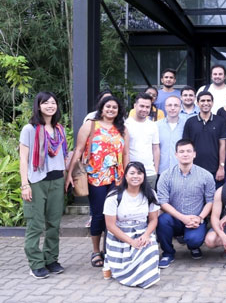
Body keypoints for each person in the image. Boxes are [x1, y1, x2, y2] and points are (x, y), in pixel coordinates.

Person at [66, 95, 129, 269]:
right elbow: (78, 150)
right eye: (108, 106)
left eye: (114, 107)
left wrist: (128, 176)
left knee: (114, 215)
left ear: (119, 110)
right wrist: (69, 174)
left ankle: (108, 250)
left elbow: (125, 154)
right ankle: (95, 251)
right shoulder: (91, 125)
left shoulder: (122, 129)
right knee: (99, 215)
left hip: (117, 178)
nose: (111, 110)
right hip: (96, 178)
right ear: (101, 108)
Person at [19, 92, 69, 279]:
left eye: (53, 102)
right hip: (37, 181)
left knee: (54, 224)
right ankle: (36, 263)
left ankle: (51, 259)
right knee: (36, 224)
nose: (50, 105)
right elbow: (23, 159)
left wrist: (66, 178)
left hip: (57, 181)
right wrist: (25, 185)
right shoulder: (30, 129)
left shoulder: (59, 129)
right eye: (45, 103)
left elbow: (63, 155)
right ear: (38, 106)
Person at [156, 139, 215, 268]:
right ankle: (168, 253)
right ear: (176, 154)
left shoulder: (206, 175)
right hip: (175, 218)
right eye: (181, 151)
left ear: (194, 154)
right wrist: (182, 218)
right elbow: (163, 202)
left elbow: (210, 201)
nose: (185, 154)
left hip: (195, 219)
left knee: (194, 240)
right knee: (162, 221)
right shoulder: (166, 176)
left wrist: (200, 218)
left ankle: (193, 247)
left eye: (189, 151)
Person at [103, 162, 160, 288]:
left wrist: (146, 235)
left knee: (150, 248)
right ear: (126, 176)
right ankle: (130, 274)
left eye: (139, 173)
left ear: (144, 176)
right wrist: (131, 242)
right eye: (132, 173)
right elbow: (110, 226)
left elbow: (153, 220)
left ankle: (145, 277)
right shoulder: (113, 196)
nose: (136, 176)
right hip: (120, 235)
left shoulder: (150, 194)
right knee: (126, 264)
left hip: (141, 232)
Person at [182, 91, 226, 188]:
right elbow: (185, 147)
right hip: (193, 169)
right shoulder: (190, 122)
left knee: (214, 199)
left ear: (212, 103)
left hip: (214, 170)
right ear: (197, 103)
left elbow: (222, 145)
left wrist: (221, 167)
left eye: (208, 100)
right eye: (202, 101)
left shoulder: (220, 121)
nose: (206, 103)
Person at [125, 93, 160, 188]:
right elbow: (125, 151)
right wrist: (126, 171)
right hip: (132, 173)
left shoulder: (153, 125)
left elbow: (156, 149)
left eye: (147, 107)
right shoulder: (126, 125)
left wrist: (155, 170)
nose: (144, 109)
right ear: (135, 106)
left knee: (149, 201)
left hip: (149, 173)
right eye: (142, 106)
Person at [157, 96, 185, 175]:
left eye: (176, 105)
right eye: (169, 105)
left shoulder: (186, 125)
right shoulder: (156, 126)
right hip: (161, 171)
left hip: (181, 171)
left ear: (180, 108)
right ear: (165, 107)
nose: (172, 108)